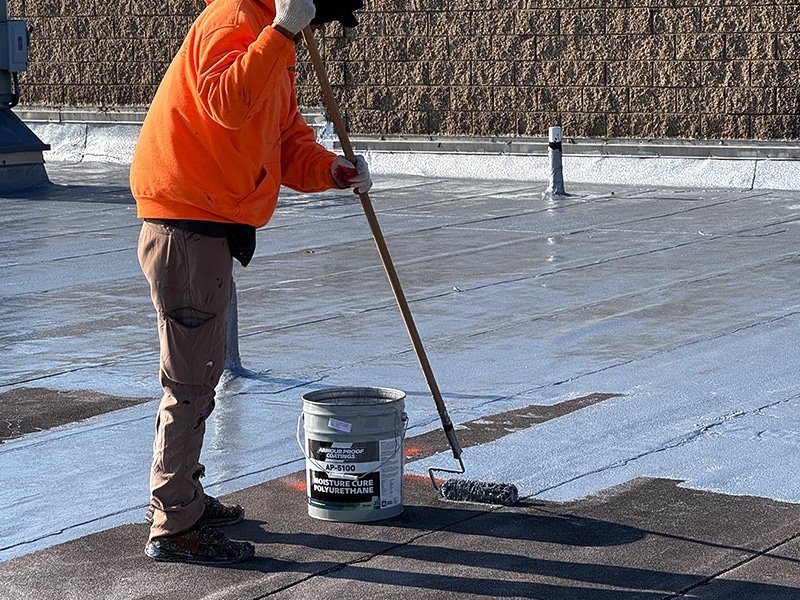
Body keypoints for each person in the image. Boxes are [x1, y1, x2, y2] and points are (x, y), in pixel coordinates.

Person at [129, 0, 369, 565]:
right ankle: (174, 526)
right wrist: (283, 31)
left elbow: (285, 141)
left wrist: (332, 170)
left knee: (199, 376)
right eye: (320, 14)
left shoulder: (271, 40)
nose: (319, 26)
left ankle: (182, 496)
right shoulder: (237, 20)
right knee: (189, 384)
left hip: (206, 226)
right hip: (187, 227)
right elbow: (225, 105)